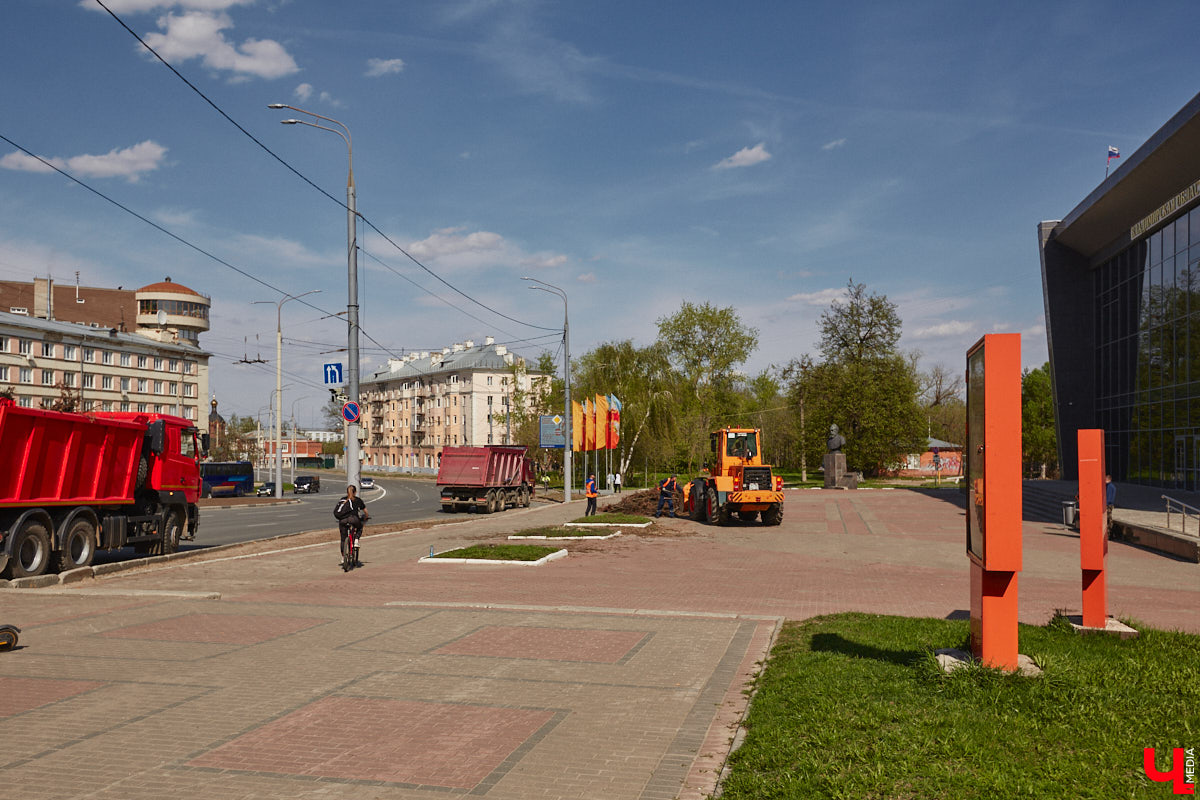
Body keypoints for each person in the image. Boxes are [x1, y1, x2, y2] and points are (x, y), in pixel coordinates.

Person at [334, 485, 368, 567]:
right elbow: (365, 511)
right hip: (353, 519)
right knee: (360, 527)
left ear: (347, 492)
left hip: (343, 520)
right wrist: (366, 517)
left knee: (343, 539)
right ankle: (356, 540)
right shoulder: (358, 500)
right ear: (355, 492)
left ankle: (343, 557)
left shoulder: (343, 499)